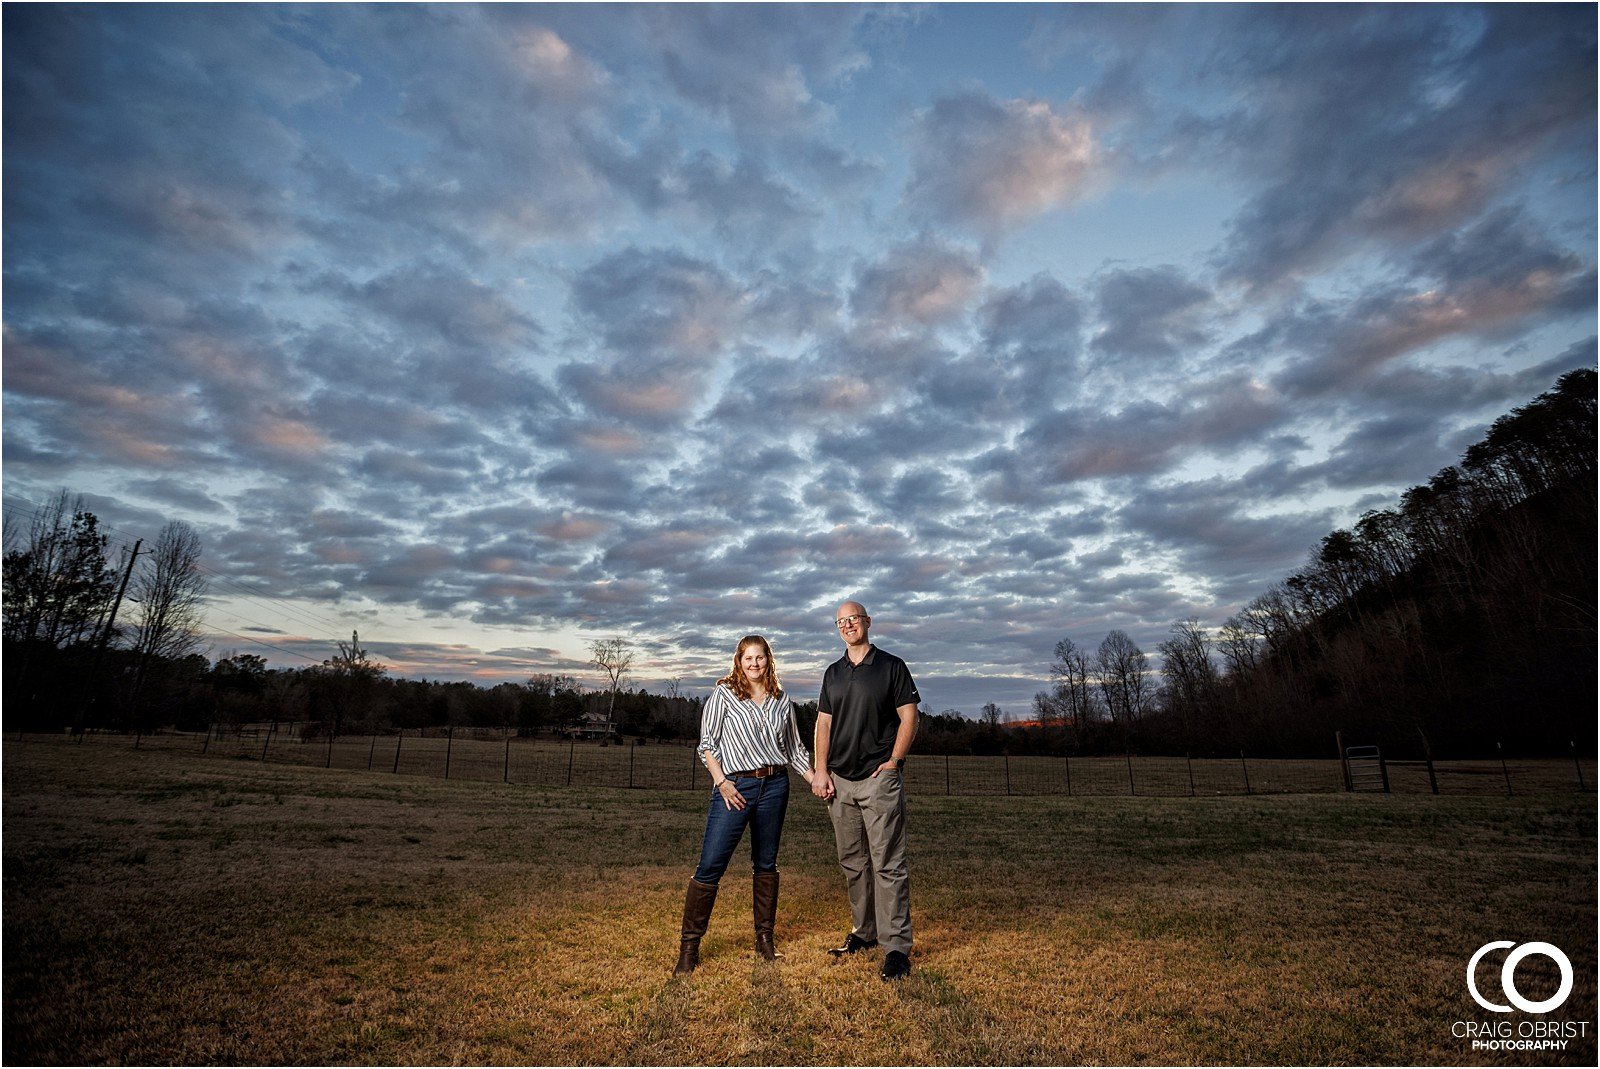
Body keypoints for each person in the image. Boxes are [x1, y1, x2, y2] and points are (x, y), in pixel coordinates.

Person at [674, 634, 814, 976]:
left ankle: (764, 940)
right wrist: (722, 782)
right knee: (711, 864)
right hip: (735, 787)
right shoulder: (724, 693)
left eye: (760, 658)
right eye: (748, 658)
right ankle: (689, 949)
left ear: (769, 660)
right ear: (739, 661)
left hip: (775, 786)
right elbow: (707, 744)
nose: (755, 664)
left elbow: (794, 750)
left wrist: (816, 780)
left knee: (766, 862)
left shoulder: (782, 699)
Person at [810, 600, 920, 981]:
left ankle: (896, 949)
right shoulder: (833, 672)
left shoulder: (891, 667)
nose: (848, 625)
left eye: (853, 619)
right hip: (839, 783)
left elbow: (910, 716)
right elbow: (823, 724)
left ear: (868, 622)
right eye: (841, 621)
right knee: (853, 863)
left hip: (878, 781)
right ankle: (864, 933)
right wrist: (820, 771)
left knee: (888, 864)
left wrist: (894, 762)